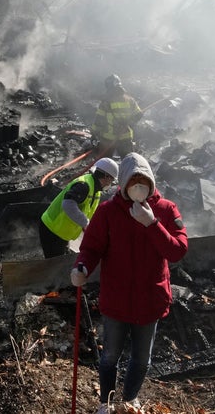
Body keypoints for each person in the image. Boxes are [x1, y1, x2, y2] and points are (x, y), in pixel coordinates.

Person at [71, 153, 188, 414]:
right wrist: (82, 268)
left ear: (151, 181)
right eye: (133, 181)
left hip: (151, 299)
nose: (138, 187)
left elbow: (178, 251)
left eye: (143, 181)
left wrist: (152, 224)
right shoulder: (107, 212)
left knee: (142, 359)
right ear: (122, 184)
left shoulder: (166, 210)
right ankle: (106, 403)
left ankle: (130, 398)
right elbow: (91, 248)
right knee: (110, 356)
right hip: (116, 300)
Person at [38, 157, 119, 259]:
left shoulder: (96, 190)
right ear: (106, 176)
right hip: (52, 230)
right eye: (111, 179)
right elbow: (68, 204)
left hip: (62, 232)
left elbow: (90, 212)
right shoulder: (84, 185)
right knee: (54, 266)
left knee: (63, 261)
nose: (110, 183)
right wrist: (86, 223)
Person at [93, 75, 144, 157]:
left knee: (104, 165)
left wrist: (93, 133)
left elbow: (99, 121)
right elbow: (139, 114)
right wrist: (130, 123)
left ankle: (102, 170)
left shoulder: (106, 102)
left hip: (108, 139)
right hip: (125, 138)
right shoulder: (130, 100)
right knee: (130, 162)